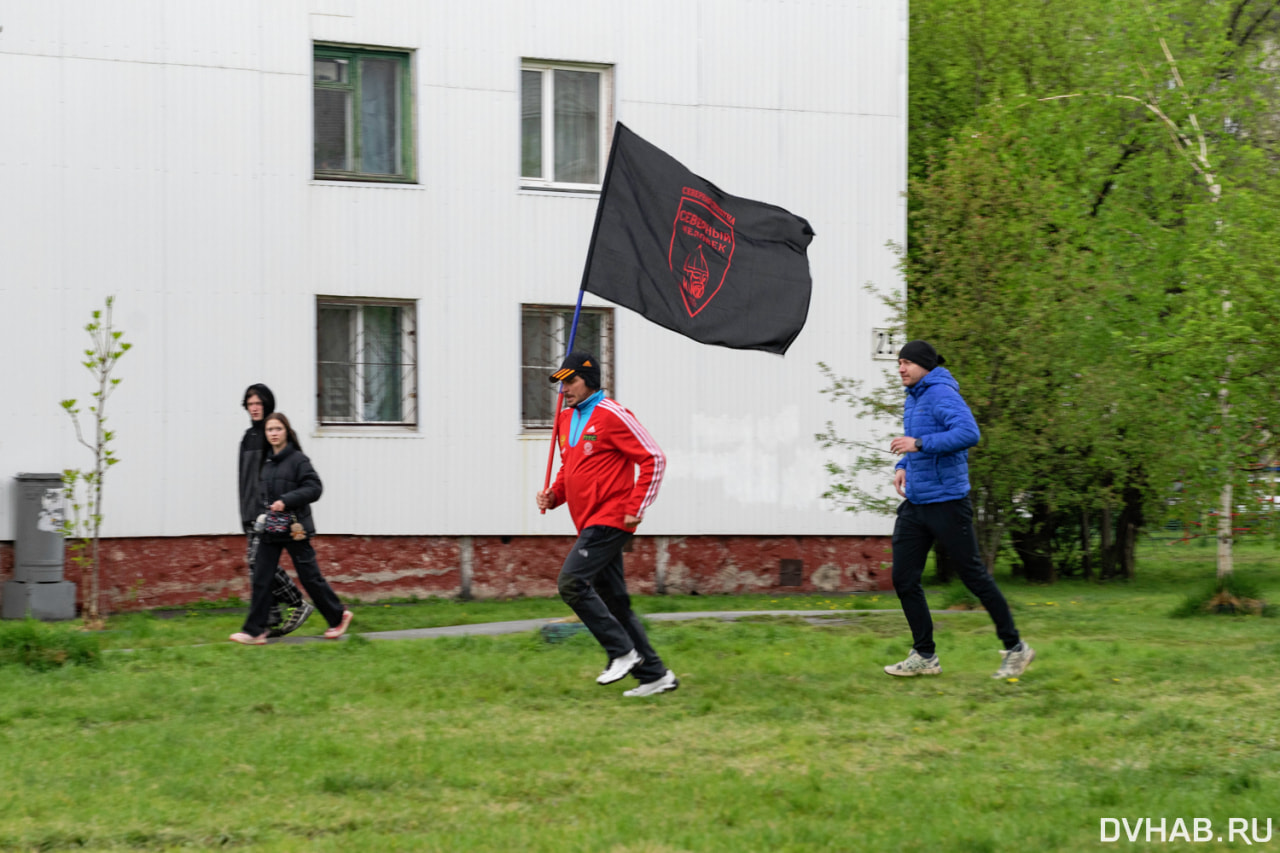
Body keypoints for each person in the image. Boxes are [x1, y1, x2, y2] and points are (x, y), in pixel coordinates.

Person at [884, 340, 1035, 679]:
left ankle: (1016, 648)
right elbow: (918, 439)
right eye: (899, 363)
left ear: (924, 365)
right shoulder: (915, 398)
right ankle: (924, 655)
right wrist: (905, 463)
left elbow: (968, 433)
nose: (901, 369)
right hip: (918, 502)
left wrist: (918, 445)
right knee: (904, 578)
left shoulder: (941, 394)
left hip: (948, 503)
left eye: (906, 362)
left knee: (973, 577)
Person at [536, 352, 677, 697]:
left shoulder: (613, 415)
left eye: (570, 381)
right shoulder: (566, 420)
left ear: (590, 380)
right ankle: (655, 675)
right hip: (587, 522)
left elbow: (654, 458)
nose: (564, 389)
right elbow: (571, 470)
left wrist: (637, 505)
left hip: (612, 518)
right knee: (615, 601)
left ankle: (621, 652)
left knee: (571, 583)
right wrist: (554, 496)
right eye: (560, 382)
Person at [230, 412, 353, 645]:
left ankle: (338, 616)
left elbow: (315, 488)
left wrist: (287, 500)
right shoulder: (267, 463)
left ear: (286, 431)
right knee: (261, 576)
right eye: (269, 430)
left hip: (295, 528)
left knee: (309, 577)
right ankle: (255, 631)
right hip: (272, 529)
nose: (273, 433)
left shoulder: (298, 460)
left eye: (277, 429)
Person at [239, 384, 313, 636]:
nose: (255, 408)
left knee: (258, 562)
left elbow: (286, 471)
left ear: (268, 405)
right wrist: (245, 513)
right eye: (251, 404)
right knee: (257, 565)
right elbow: (244, 479)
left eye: (259, 403)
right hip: (251, 512)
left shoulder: (273, 435)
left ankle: (295, 602)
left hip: (270, 512)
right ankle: (270, 618)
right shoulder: (247, 437)